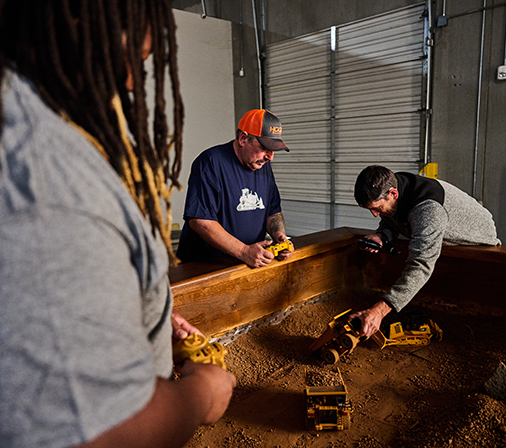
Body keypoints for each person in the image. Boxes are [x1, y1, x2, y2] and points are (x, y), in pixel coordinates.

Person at [0, 1, 235, 448]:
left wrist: (137, 316)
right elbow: (102, 433)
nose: (133, 82)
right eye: (137, 59)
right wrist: (203, 394)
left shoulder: (45, 122)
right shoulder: (48, 183)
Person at [351, 165, 501, 338]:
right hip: (437, 225)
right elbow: (396, 216)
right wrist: (382, 235)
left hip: (477, 243)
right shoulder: (395, 183)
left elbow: (421, 264)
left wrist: (379, 311)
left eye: (377, 208)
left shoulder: (428, 210)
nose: (375, 215)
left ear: (393, 193)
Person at [176, 109, 295, 268]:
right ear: (243, 138)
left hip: (243, 265)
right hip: (204, 268)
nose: (270, 157)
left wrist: (280, 237)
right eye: (264, 148)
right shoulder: (211, 163)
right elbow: (200, 221)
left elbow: (273, 211)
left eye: (273, 150)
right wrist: (244, 251)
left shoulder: (261, 165)